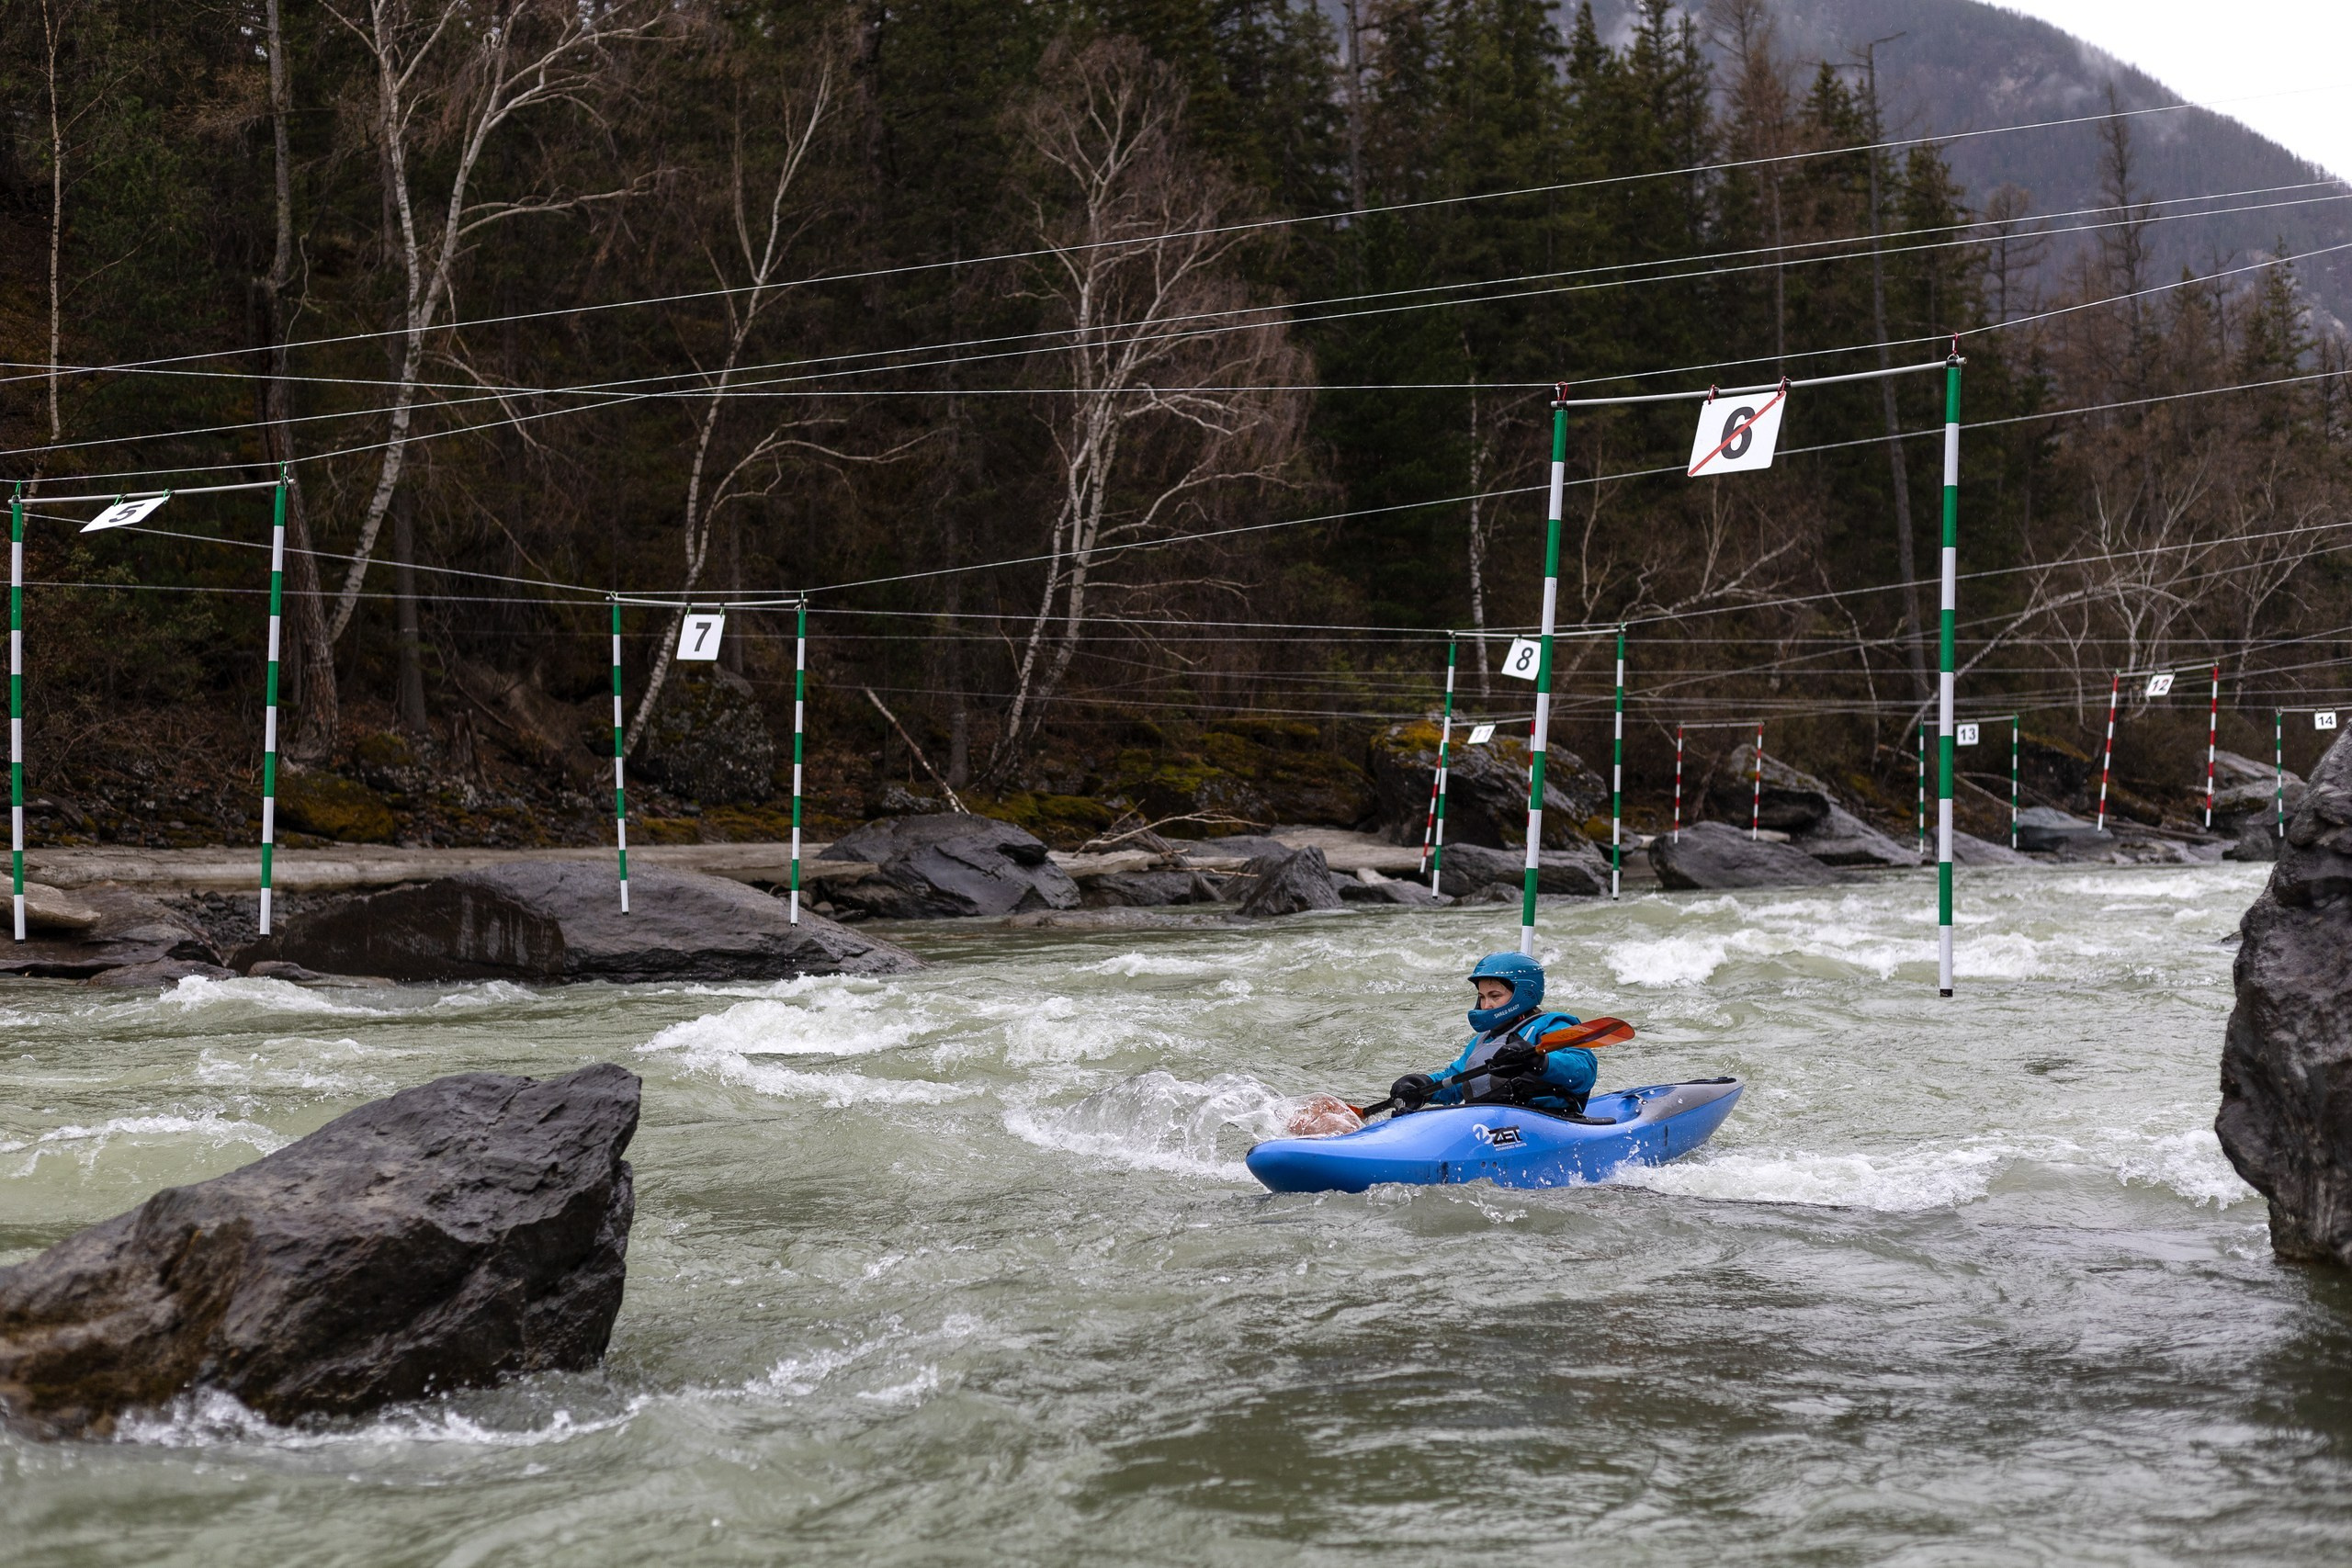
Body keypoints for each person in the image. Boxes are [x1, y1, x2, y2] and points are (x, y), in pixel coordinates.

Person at [1388, 952, 1598, 1115]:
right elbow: (1456, 1082)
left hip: (1546, 1120)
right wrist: (1424, 1087)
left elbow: (1583, 1070)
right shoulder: (1484, 1040)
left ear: (1522, 994)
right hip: (1492, 1126)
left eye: (1495, 996)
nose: (1486, 1005)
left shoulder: (1553, 1024)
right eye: (1482, 996)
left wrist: (1538, 1061)